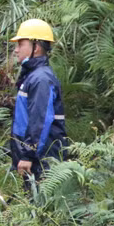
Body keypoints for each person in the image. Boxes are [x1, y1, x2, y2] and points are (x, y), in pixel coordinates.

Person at [8, 18, 68, 180]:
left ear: (36, 47)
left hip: (43, 160)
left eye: (21, 44)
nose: (16, 50)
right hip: (36, 158)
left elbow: (40, 121)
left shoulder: (41, 79)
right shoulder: (32, 76)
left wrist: (28, 155)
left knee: (42, 203)